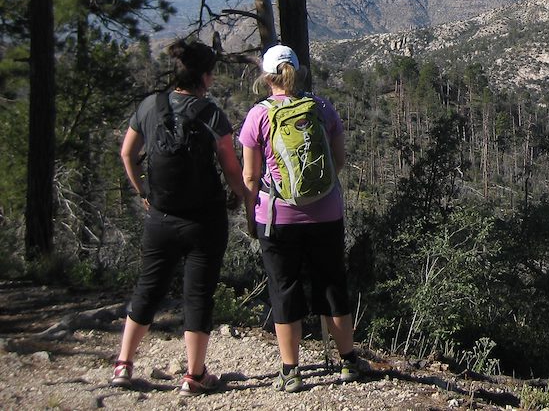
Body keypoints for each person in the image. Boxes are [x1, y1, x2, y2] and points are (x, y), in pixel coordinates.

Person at [113, 39, 246, 395]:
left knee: (148, 288)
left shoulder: (149, 106)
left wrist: (143, 192)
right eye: (212, 72)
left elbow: (127, 154)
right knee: (198, 294)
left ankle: (123, 364)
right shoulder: (211, 114)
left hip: (161, 217)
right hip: (204, 220)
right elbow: (230, 167)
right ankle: (194, 374)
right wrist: (241, 196)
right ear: (204, 76)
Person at [239, 44, 370, 393]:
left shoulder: (258, 116)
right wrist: (318, 193)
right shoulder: (322, 108)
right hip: (326, 214)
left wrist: (251, 216)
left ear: (267, 77)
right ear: (298, 72)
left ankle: (291, 370)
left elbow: (250, 176)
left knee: (284, 289)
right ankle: (348, 361)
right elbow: (338, 161)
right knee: (332, 284)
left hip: (277, 217)